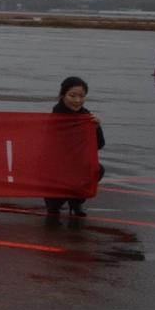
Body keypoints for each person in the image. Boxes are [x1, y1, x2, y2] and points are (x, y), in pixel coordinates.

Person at [48, 76, 103, 218]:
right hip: (56, 165)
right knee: (54, 207)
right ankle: (54, 202)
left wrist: (96, 127)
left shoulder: (86, 116)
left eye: (81, 96)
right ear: (63, 95)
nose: (77, 100)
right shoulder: (56, 115)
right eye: (72, 96)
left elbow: (99, 144)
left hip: (78, 163)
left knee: (97, 170)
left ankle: (76, 201)